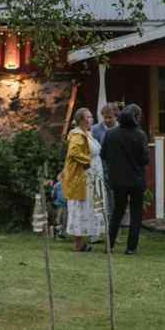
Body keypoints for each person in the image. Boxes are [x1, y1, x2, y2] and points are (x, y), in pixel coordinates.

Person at [101, 103, 150, 255]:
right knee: (136, 214)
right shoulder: (140, 135)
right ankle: (131, 248)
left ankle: (109, 245)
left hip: (118, 178)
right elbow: (145, 160)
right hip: (136, 179)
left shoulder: (111, 134)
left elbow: (104, 154)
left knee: (117, 212)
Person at [63, 107, 105, 251]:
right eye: (88, 117)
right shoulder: (77, 135)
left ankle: (84, 239)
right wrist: (87, 161)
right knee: (82, 206)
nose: (91, 119)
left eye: (91, 116)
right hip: (84, 177)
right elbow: (74, 152)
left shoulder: (87, 134)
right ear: (81, 120)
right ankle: (78, 242)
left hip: (91, 176)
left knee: (89, 206)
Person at [90, 102, 120, 240]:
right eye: (105, 117)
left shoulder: (121, 129)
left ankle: (111, 234)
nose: (107, 120)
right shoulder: (95, 129)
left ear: (116, 117)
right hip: (99, 169)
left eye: (110, 118)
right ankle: (94, 233)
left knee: (114, 203)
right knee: (97, 200)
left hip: (115, 171)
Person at [50, 173, 68, 240]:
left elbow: (53, 195)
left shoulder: (56, 186)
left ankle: (61, 235)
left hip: (58, 205)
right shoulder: (66, 186)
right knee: (65, 222)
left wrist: (55, 200)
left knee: (62, 221)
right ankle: (55, 229)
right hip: (65, 205)